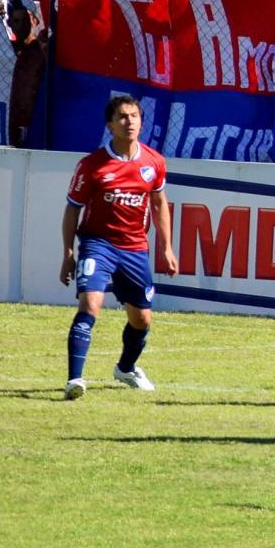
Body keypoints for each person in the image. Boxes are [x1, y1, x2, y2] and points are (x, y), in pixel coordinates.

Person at [59, 93, 178, 399]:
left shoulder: (154, 162)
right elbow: (72, 208)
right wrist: (68, 252)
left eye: (134, 116)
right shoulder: (92, 165)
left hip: (135, 247)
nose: (130, 122)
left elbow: (159, 203)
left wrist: (166, 247)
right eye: (123, 117)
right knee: (90, 305)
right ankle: (75, 379)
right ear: (110, 125)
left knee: (142, 319)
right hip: (98, 244)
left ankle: (126, 368)